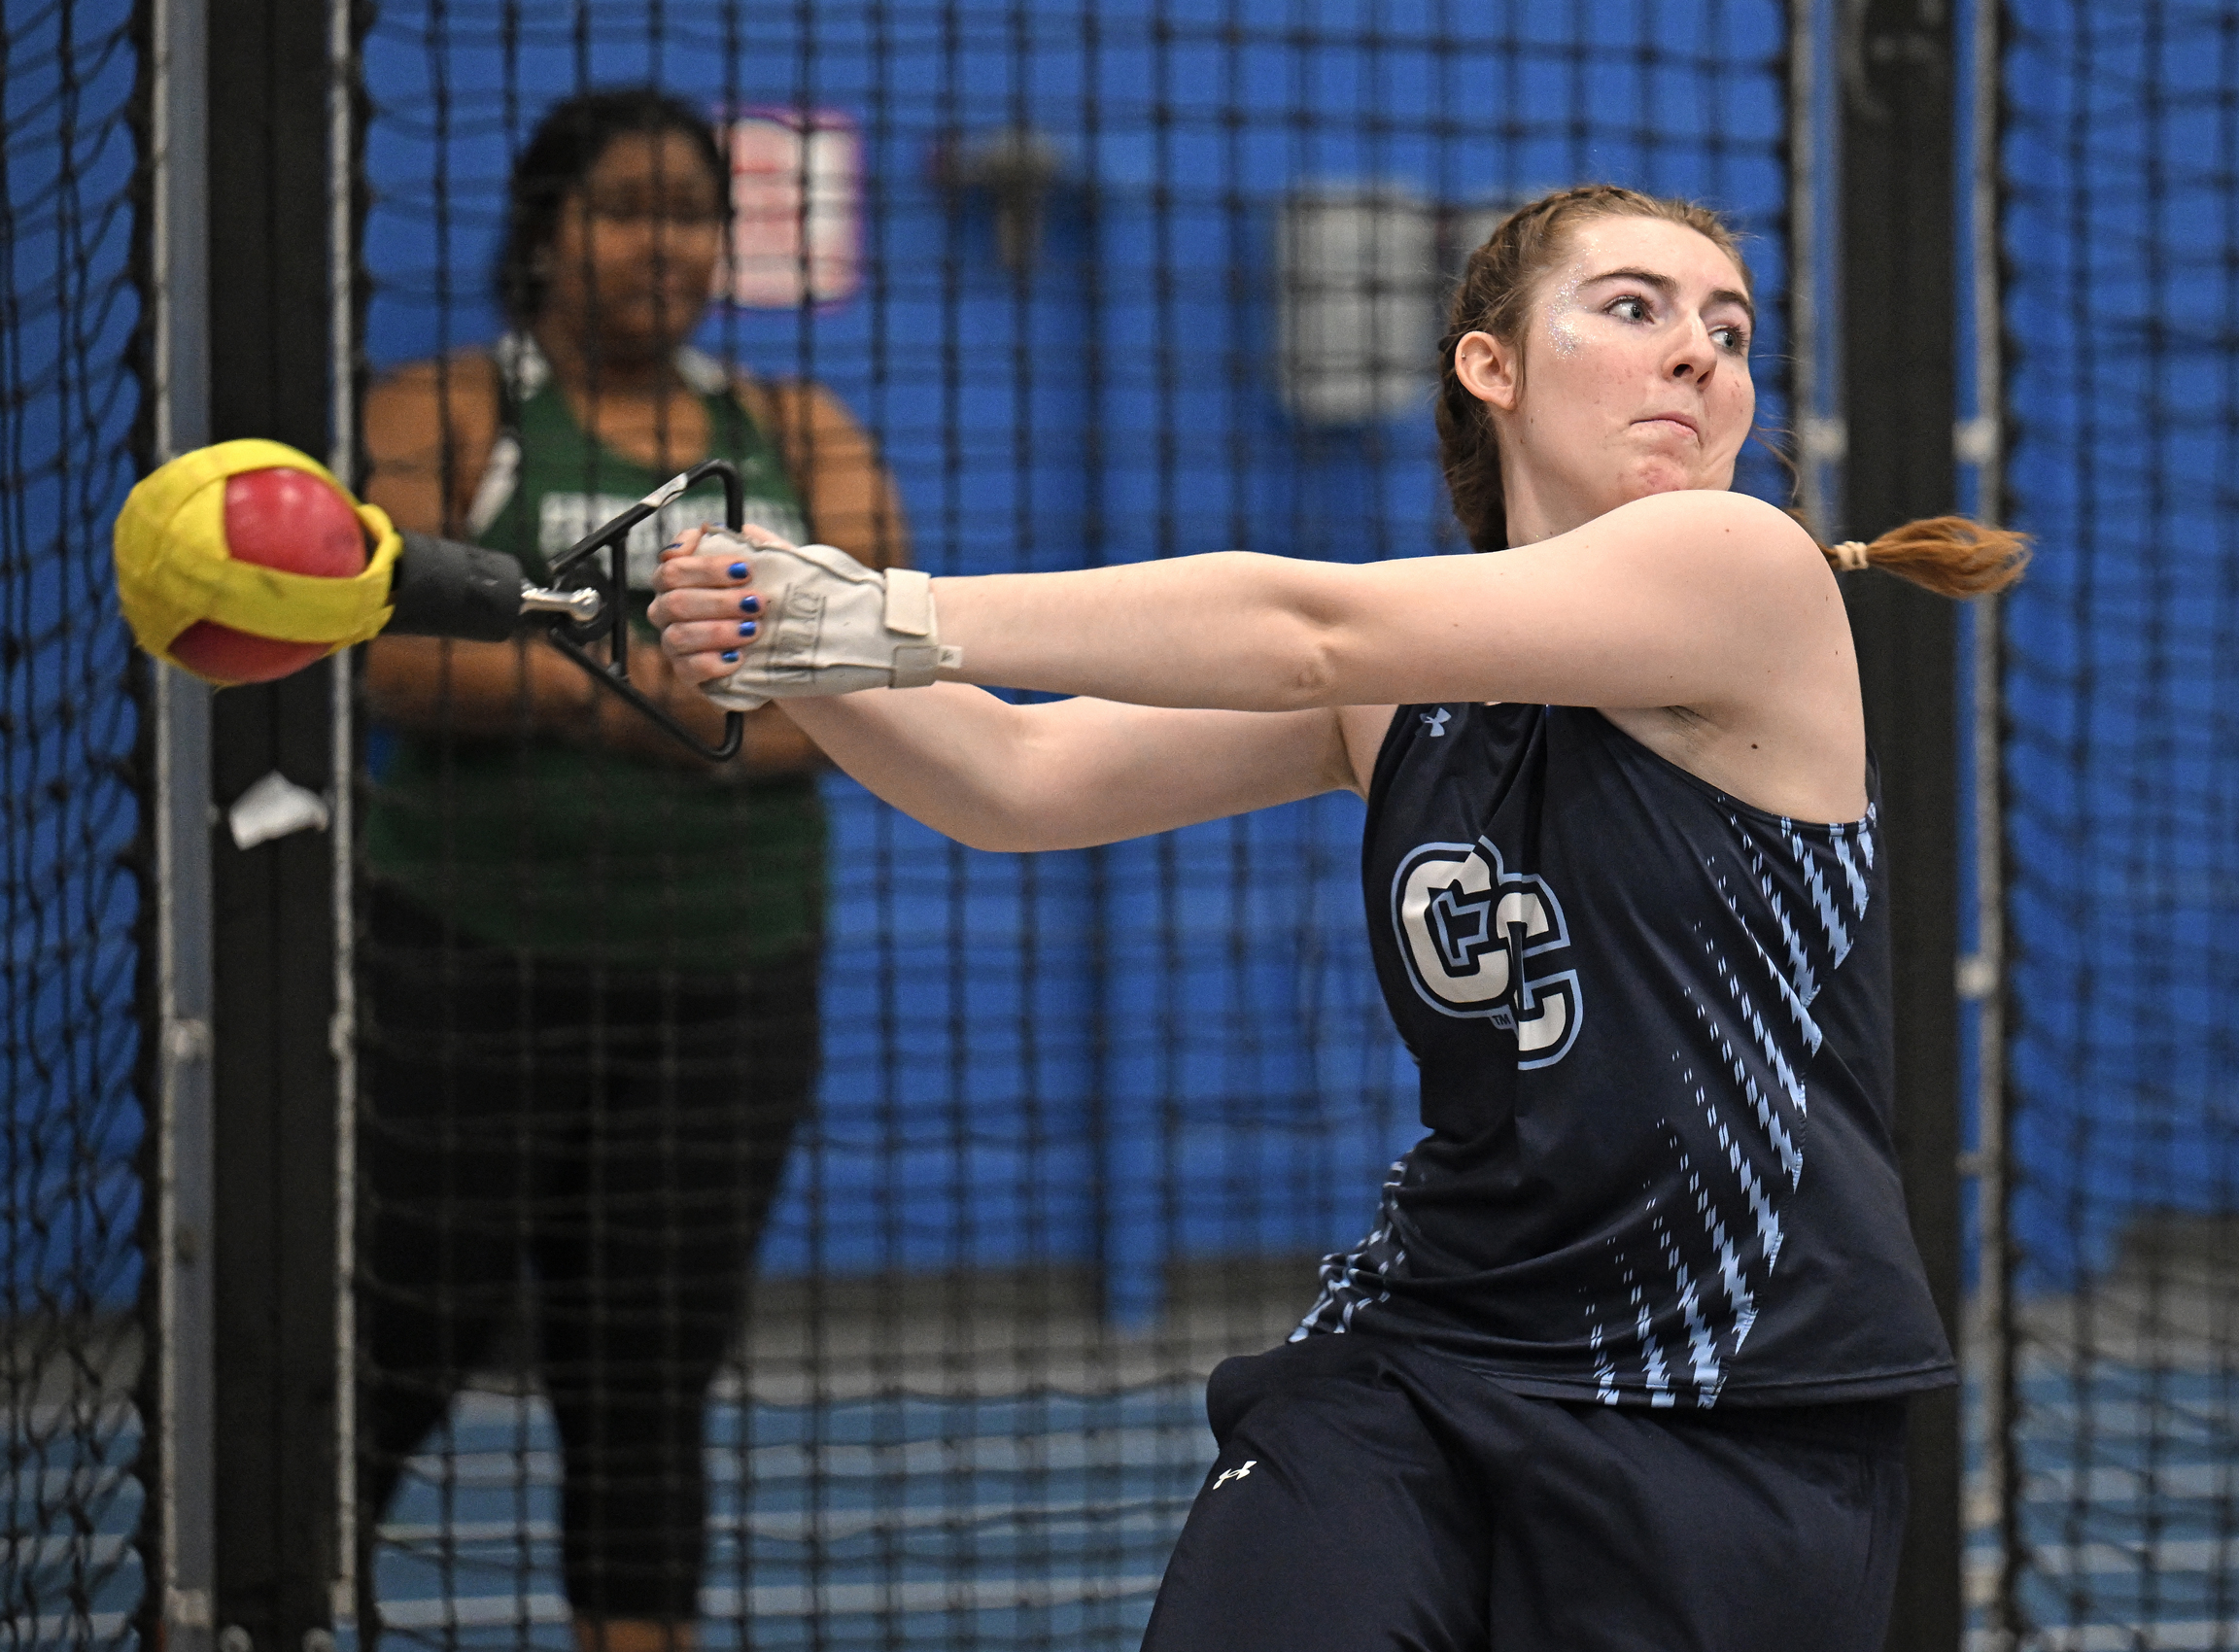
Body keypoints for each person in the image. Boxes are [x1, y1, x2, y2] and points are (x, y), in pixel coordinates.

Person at [648, 183, 2025, 1650]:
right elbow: (1019, 777)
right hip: (1427, 1357)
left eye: (1730, 330)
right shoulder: (1407, 684)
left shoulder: (1745, 569)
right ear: (1491, 366)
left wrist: (887, 615)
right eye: (1634, 307)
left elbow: (1309, 632)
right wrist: (781, 641)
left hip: (1729, 1398)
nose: (1700, 352)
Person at [354, 86, 906, 1652]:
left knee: (647, 1374)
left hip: (728, 984)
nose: (664, 247)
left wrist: (632, 700)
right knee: (394, 1346)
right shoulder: (448, 411)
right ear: (545, 235)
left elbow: (871, 675)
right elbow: (387, 650)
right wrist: (643, 702)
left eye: (691, 217)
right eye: (624, 211)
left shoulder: (797, 431)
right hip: (465, 964)